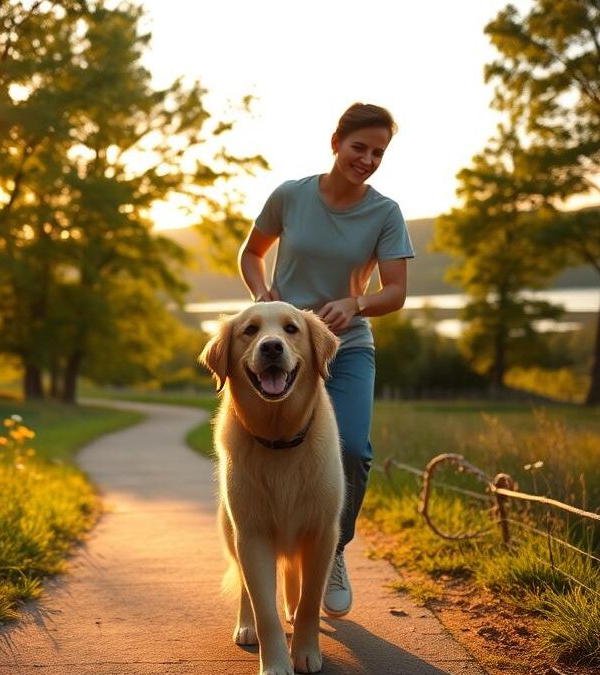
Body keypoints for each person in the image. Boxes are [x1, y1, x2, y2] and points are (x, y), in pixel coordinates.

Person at [238, 102, 414, 618]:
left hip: (345, 346)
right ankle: (265, 553)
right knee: (269, 447)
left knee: (353, 450)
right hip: (283, 347)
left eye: (378, 152)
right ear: (335, 142)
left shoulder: (385, 213)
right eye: (359, 147)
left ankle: (331, 549)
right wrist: (263, 293)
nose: (367, 159)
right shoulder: (291, 195)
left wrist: (356, 302)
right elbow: (252, 252)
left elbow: (397, 292)